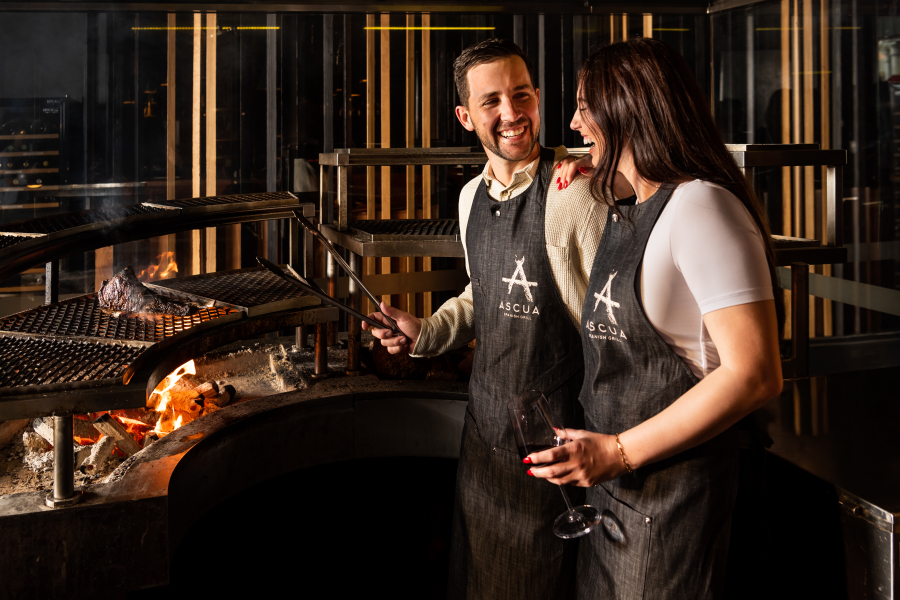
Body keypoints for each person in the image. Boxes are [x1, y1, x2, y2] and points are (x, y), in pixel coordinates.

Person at [363, 39, 624, 600]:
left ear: (538, 97)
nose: (512, 113)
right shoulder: (469, 198)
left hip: (556, 443)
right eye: (492, 101)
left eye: (522, 94)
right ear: (465, 117)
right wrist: (427, 332)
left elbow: (612, 326)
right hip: (484, 435)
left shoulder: (573, 192)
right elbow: (483, 292)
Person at [526, 38, 784, 599]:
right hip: (616, 496)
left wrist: (617, 451)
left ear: (627, 109)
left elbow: (755, 373)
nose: (573, 123)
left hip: (675, 498)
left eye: (585, 108)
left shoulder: (702, 207)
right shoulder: (636, 208)